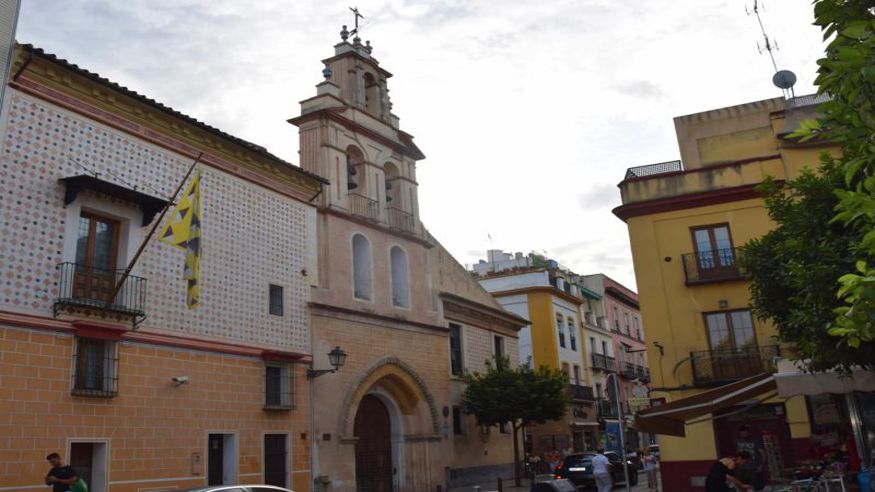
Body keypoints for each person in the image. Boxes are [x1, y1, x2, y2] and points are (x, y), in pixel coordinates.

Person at [735, 425, 766, 490]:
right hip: (742, 468)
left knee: (755, 486)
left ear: (748, 432)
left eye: (745, 433)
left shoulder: (756, 440)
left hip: (753, 467)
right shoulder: (738, 441)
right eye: (742, 433)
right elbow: (737, 454)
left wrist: (761, 466)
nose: (743, 435)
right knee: (743, 486)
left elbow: (763, 454)